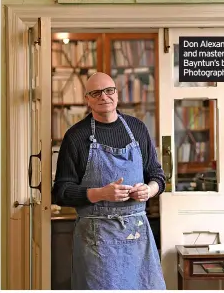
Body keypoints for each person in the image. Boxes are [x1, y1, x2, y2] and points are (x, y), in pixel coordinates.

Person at [52, 72, 166, 290]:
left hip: (137, 235)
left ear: (117, 93)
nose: (104, 97)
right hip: (96, 240)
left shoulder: (138, 128)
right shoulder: (76, 136)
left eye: (109, 90)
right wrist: (101, 194)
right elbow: (61, 191)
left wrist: (148, 191)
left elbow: (157, 176)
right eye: (95, 93)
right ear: (87, 99)